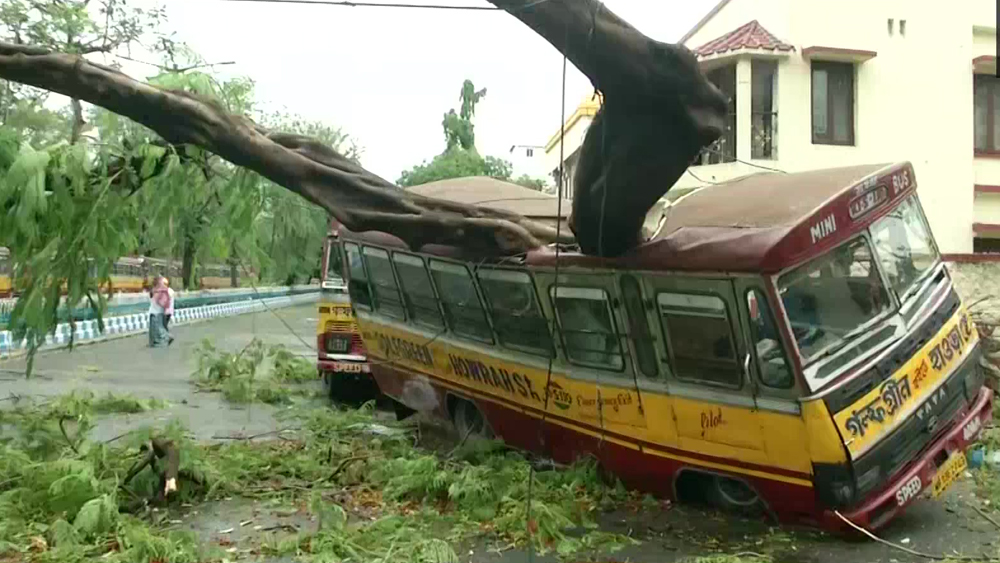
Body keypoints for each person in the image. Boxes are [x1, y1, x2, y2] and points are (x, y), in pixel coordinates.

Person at [148, 276, 170, 348]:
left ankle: (164, 338)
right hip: (161, 311)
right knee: (159, 326)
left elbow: (152, 298)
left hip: (155, 312)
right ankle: (156, 341)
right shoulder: (164, 291)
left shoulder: (156, 290)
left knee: (156, 327)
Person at [162, 278, 176, 346]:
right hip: (170, 311)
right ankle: (165, 339)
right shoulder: (171, 291)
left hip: (165, 312)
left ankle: (169, 337)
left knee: (162, 326)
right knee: (164, 325)